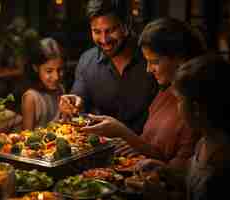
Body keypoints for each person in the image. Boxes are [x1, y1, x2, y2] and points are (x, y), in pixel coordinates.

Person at [81, 17, 207, 169]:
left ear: (179, 58)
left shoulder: (194, 109)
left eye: (154, 62)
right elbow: (152, 146)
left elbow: (179, 172)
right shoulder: (165, 92)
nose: (148, 69)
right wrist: (131, 143)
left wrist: (123, 132)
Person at [136, 54, 230, 200]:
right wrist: (168, 172)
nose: (177, 106)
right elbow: (192, 187)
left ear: (196, 108)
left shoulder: (224, 164)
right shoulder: (205, 141)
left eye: (179, 100)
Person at [59, 0, 158, 134]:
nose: (104, 40)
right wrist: (71, 103)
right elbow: (79, 99)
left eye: (110, 30)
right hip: (104, 148)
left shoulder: (151, 59)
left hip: (147, 149)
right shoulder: (87, 61)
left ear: (126, 25)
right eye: (97, 31)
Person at [21, 37, 65, 130]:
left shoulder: (60, 89)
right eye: (49, 71)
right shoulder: (31, 98)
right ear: (36, 68)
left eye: (60, 70)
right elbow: (26, 136)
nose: (56, 77)